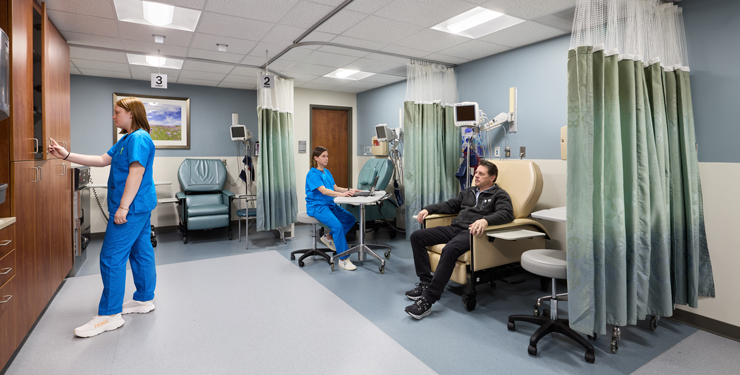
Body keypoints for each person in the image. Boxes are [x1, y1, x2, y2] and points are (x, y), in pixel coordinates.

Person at [48, 97, 158, 337]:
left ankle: (109, 315)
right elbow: (101, 160)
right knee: (141, 252)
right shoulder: (126, 140)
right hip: (141, 205)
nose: (114, 116)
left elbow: (136, 173)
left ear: (132, 114)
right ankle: (144, 299)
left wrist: (123, 208)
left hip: (131, 207)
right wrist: (66, 155)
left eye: (117, 112)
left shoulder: (139, 138)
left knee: (111, 257)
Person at [404, 160, 513, 319]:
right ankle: (426, 281)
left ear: (492, 178)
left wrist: (486, 220)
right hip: (454, 228)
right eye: (476, 173)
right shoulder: (468, 192)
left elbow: (507, 214)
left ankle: (428, 299)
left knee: (450, 249)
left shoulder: (499, 195)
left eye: (481, 174)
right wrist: (429, 208)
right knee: (417, 237)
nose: (476, 176)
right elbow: (450, 205)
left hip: (471, 233)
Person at [305, 146, 359, 271]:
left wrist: (349, 190)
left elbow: (335, 187)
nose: (326, 158)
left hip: (329, 205)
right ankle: (343, 259)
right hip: (317, 206)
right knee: (338, 226)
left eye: (327, 156)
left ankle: (329, 237)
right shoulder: (312, 174)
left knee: (350, 219)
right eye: (323, 156)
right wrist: (342, 195)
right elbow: (323, 191)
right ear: (316, 158)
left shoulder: (327, 172)